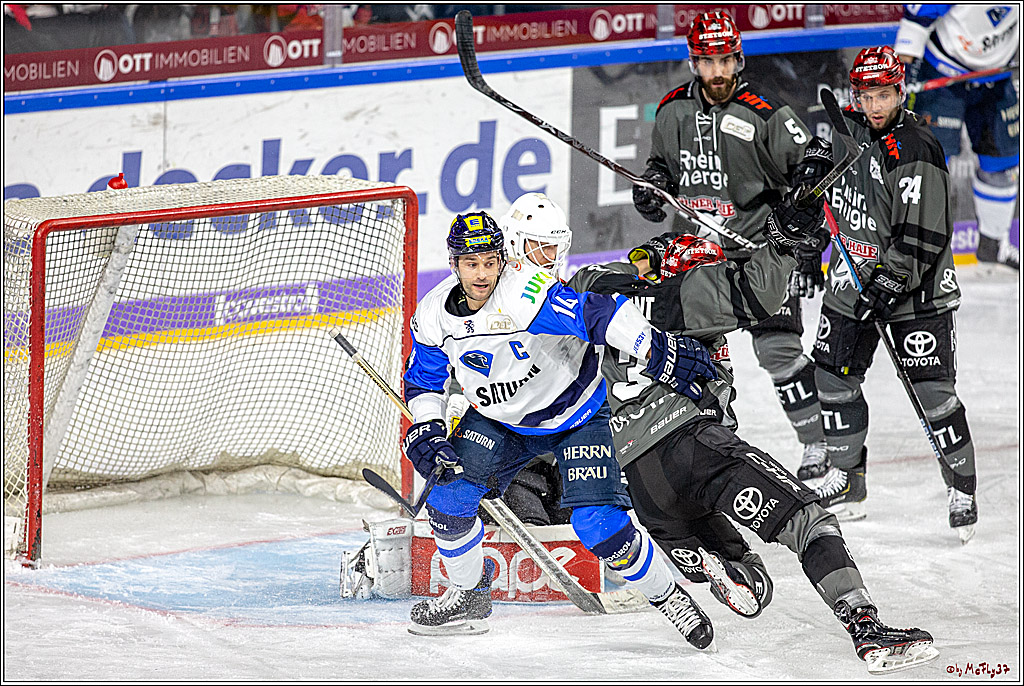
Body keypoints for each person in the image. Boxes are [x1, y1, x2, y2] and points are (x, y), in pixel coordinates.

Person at [569, 191, 938, 673]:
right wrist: (784, 243)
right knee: (809, 522)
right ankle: (867, 631)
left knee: (752, 578)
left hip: (639, 480)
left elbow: (596, 282)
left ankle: (702, 561)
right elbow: (758, 292)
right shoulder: (687, 294)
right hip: (696, 447)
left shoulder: (586, 291)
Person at [400, 200, 720, 648]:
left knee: (600, 527)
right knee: (449, 502)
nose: (481, 274)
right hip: (498, 422)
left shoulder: (527, 293)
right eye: (470, 263)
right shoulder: (435, 313)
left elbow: (601, 315)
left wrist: (659, 352)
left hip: (574, 416)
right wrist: (426, 429)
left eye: (490, 262)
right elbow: (424, 379)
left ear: (502, 259)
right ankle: (468, 596)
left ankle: (669, 597)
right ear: (453, 263)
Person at [631, 10, 833, 483]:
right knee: (685, 355)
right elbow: (661, 166)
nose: (717, 71)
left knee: (779, 351)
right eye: (707, 61)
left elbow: (810, 174)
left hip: (761, 249)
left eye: (725, 60)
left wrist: (807, 245)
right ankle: (691, 447)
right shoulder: (672, 110)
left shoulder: (765, 113)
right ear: (693, 62)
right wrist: (653, 185)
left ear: (738, 60)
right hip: (697, 254)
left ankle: (817, 444)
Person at [810, 46, 979, 544]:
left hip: (914, 291)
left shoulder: (917, 147)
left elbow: (923, 235)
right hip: (853, 280)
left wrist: (888, 283)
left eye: (885, 94)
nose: (876, 104)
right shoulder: (850, 133)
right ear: (856, 95)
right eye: (867, 95)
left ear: (899, 91)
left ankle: (962, 486)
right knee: (832, 376)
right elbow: (831, 199)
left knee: (934, 394)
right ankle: (848, 480)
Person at [894, 5, 1020, 271]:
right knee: (930, 166)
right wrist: (898, 82)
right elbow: (915, 22)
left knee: (1002, 163)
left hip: (997, 75)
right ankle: (923, 254)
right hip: (944, 71)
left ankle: (993, 245)